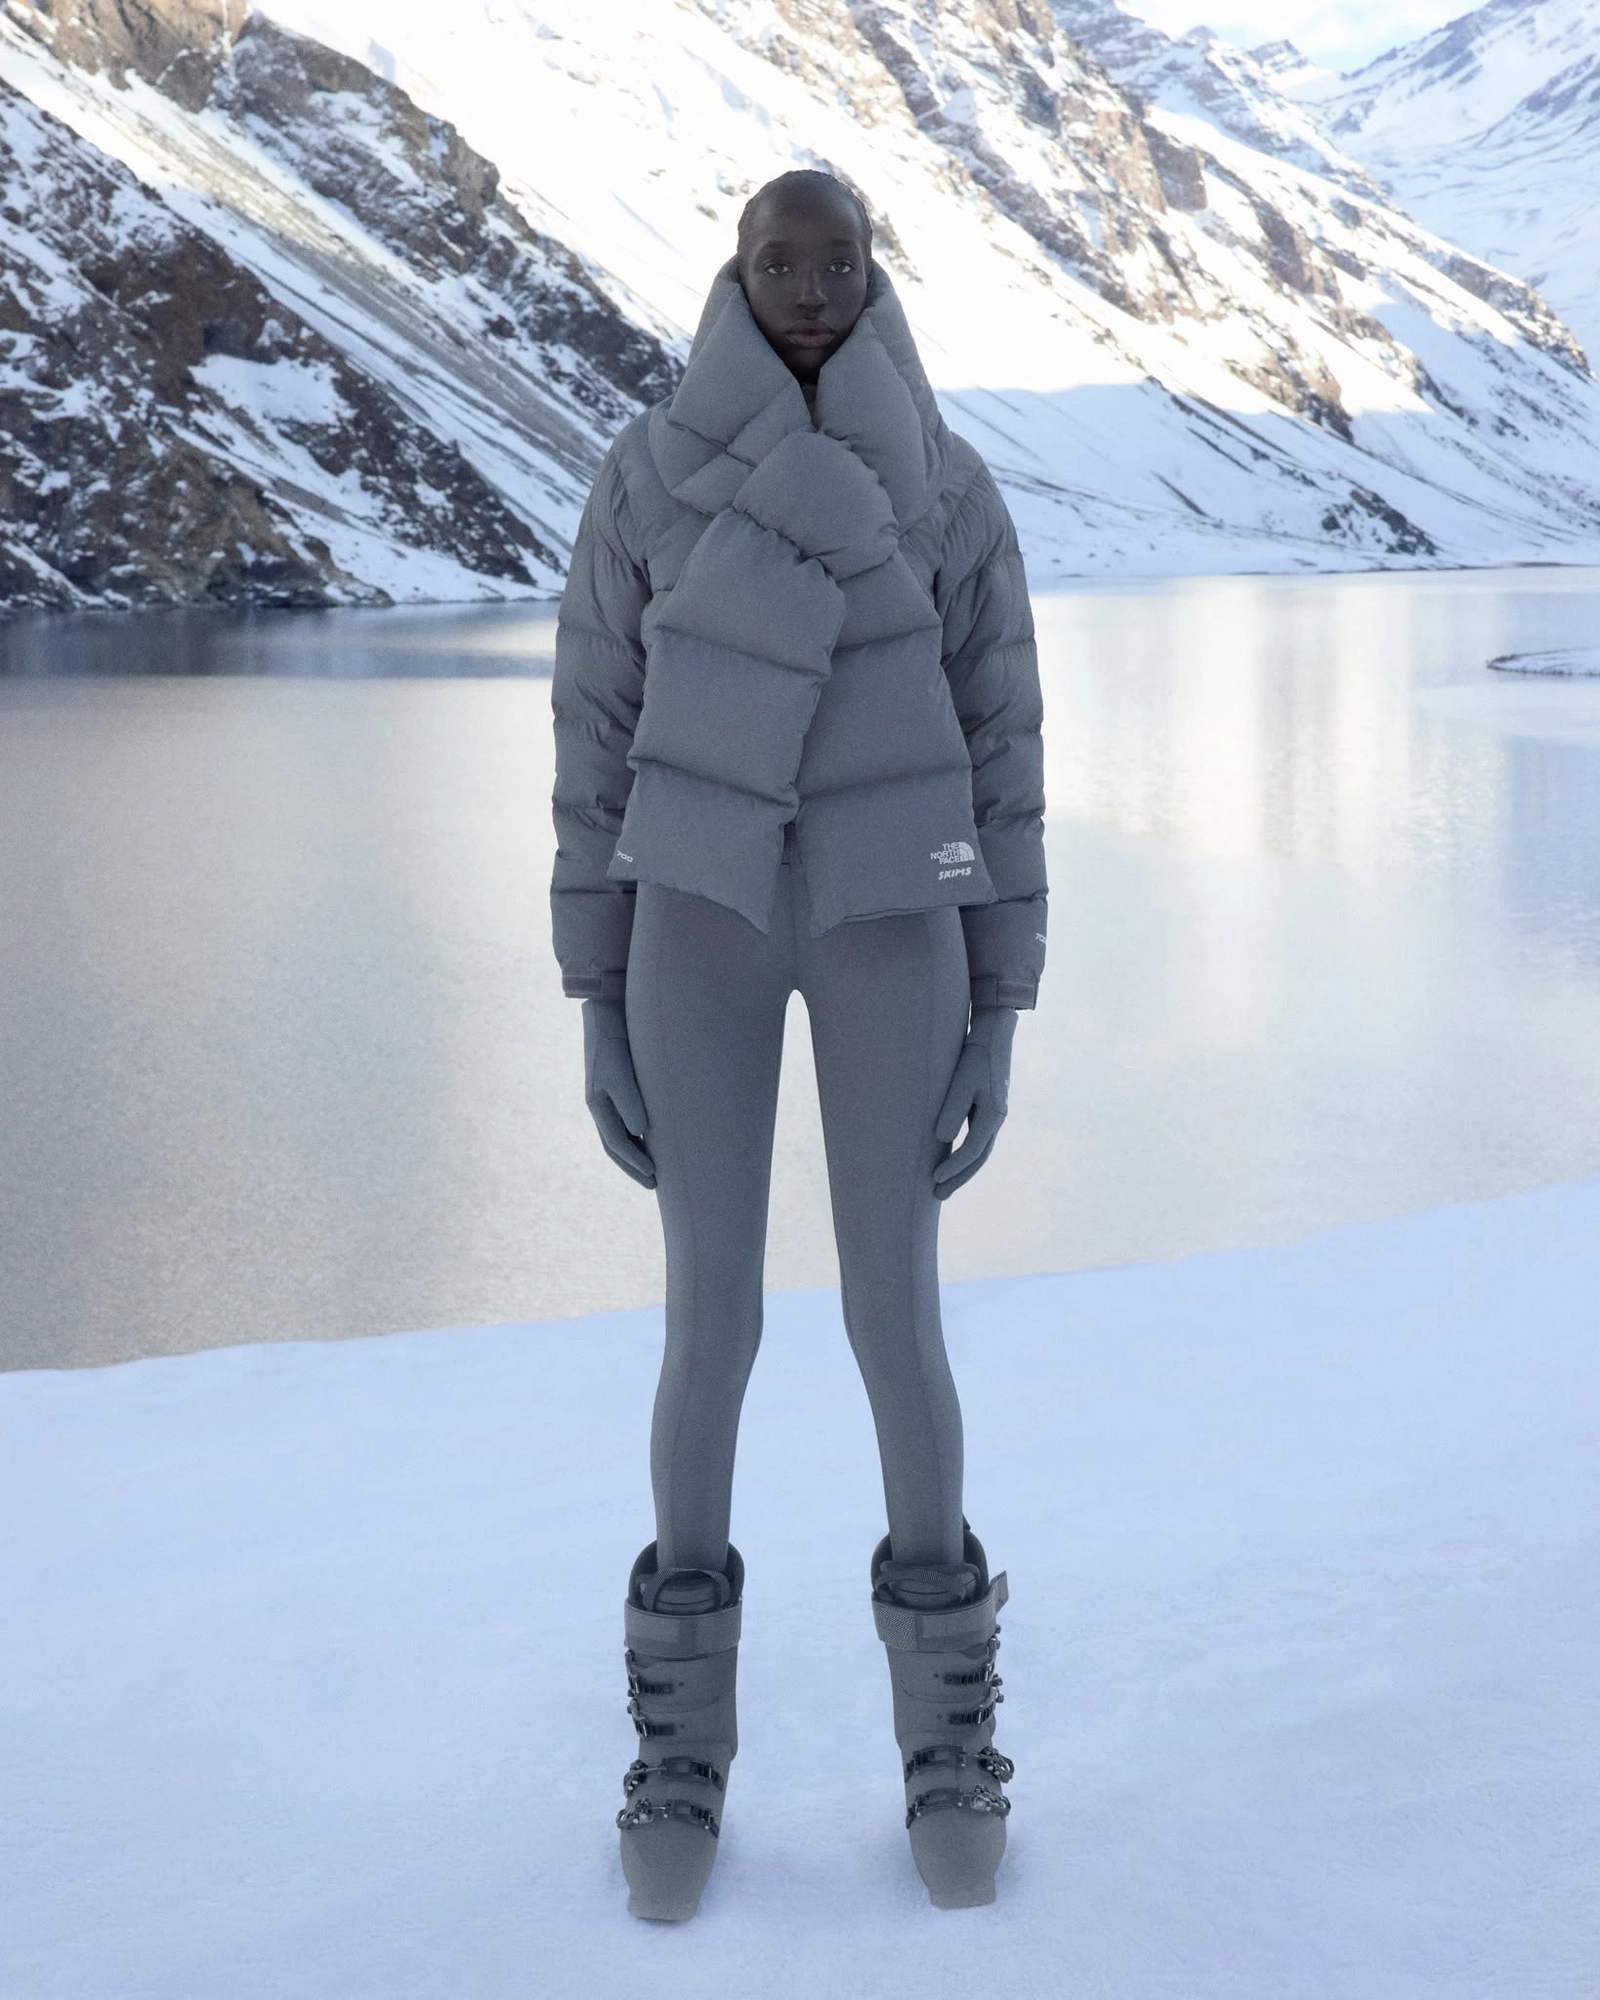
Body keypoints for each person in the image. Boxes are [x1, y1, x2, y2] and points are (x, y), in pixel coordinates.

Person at [550, 168, 1046, 1920]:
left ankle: (950, 1738)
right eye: (783, 260)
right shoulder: (646, 473)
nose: (815, 288)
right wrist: (595, 990)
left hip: (892, 911)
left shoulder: (950, 484)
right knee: (714, 1320)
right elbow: (596, 732)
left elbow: (1000, 740)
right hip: (695, 914)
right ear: (735, 271)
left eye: (839, 261)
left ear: (873, 272)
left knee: (892, 1313)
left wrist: (1003, 996)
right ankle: (680, 1749)